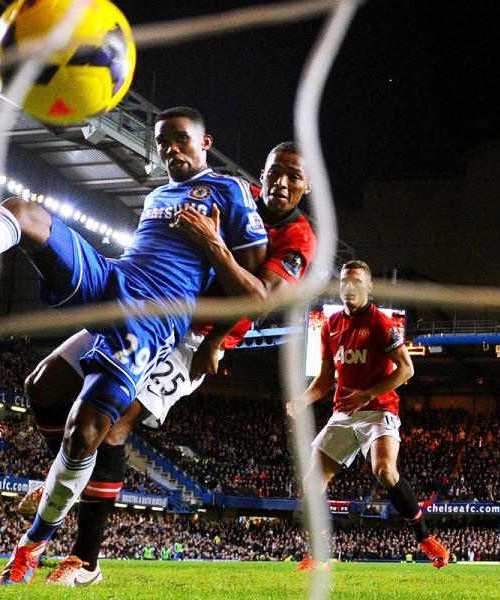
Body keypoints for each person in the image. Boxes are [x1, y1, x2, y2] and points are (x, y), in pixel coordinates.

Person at [0, 106, 267, 585]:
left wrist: (214, 245)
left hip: (153, 322)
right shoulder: (158, 194)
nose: (170, 149)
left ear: (205, 142)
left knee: (84, 432)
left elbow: (256, 298)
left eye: (180, 139)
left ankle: (32, 546)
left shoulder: (231, 191)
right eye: (162, 143)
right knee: (24, 213)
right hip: (115, 278)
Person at [37, 141, 318, 586]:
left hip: (194, 340)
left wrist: (212, 250)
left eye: (294, 176)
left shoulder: (300, 239)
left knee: (116, 424)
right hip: (147, 306)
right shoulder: (232, 192)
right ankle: (63, 477)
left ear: (307, 186)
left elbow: (259, 301)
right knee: (44, 384)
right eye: (274, 171)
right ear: (261, 173)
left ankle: (85, 562)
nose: (280, 182)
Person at [287, 260, 449, 570]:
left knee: (385, 471)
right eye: (345, 282)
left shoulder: (382, 325)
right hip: (345, 413)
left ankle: (425, 538)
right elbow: (323, 381)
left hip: (379, 409)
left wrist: (366, 395)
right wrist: (303, 400)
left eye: (356, 283)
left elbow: (407, 369)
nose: (349, 288)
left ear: (369, 287)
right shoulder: (330, 325)